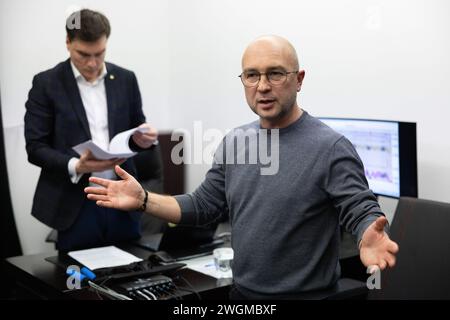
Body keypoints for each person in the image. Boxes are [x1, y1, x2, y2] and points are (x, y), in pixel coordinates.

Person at [84, 35, 399, 299]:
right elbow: (202, 205)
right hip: (242, 296)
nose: (262, 86)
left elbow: (359, 206)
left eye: (275, 74)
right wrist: (143, 200)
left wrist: (367, 232)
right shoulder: (236, 141)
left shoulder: (330, 147)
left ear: (299, 80)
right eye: (252, 75)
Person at [24, 9, 158, 251]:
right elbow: (35, 148)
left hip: (122, 198)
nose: (92, 63)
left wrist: (144, 139)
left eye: (99, 54)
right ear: (68, 43)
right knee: (78, 284)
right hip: (76, 204)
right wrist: (76, 165)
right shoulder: (46, 84)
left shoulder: (126, 79)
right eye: (83, 54)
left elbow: (137, 131)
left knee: (129, 275)